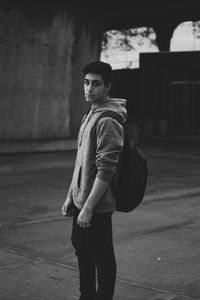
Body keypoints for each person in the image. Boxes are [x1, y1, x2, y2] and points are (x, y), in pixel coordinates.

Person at [62, 61, 127, 300]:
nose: (89, 88)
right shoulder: (90, 114)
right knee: (82, 249)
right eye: (86, 83)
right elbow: (81, 161)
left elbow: (106, 169)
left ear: (107, 87)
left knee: (102, 257)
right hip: (82, 202)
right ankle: (86, 295)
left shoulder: (108, 119)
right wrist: (72, 195)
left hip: (97, 205)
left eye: (96, 84)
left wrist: (88, 207)